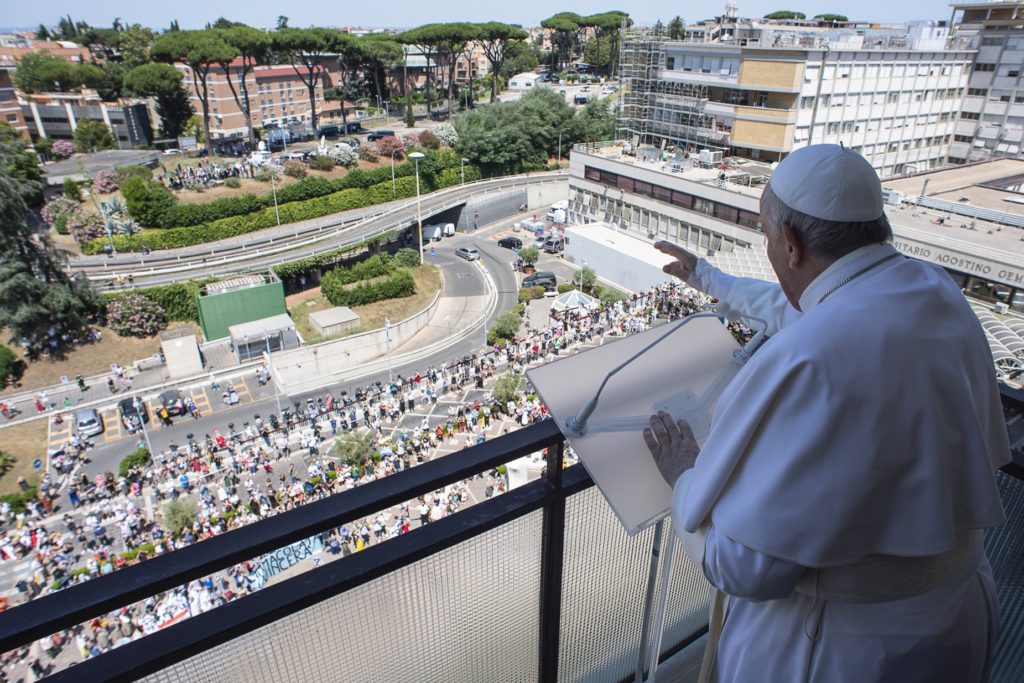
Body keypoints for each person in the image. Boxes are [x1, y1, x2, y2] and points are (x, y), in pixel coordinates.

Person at [645, 144, 1010, 682]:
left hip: (845, 649)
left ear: (790, 244)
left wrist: (683, 477)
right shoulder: (932, 291)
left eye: (768, 236)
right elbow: (815, 305)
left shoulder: (810, 360)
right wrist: (712, 279)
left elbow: (741, 566)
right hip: (956, 617)